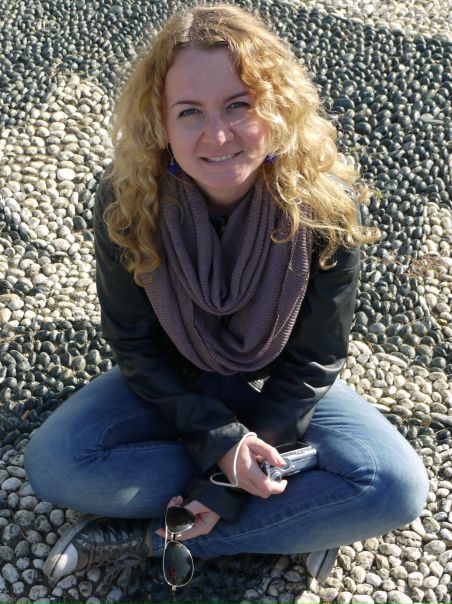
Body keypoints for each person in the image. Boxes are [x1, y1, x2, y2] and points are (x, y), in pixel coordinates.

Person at [24, 2, 429, 588]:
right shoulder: (127, 200)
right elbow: (136, 347)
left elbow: (314, 360)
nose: (217, 135)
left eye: (239, 105)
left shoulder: (326, 206)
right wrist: (220, 443)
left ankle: (150, 539)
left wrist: (223, 484)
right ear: (161, 123)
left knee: (395, 487)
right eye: (190, 112)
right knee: (58, 465)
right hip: (177, 382)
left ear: (275, 105)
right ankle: (302, 510)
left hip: (280, 384)